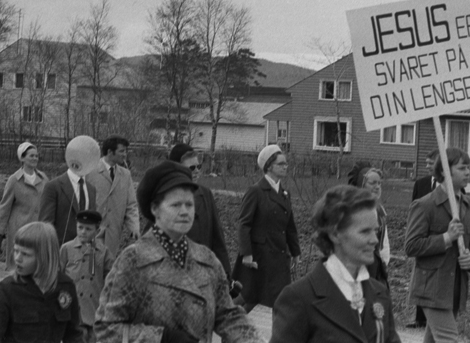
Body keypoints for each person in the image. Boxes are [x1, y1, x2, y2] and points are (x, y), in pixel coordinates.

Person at [96, 161, 263, 343]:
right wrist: (162, 338)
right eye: (176, 205)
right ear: (155, 209)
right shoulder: (133, 261)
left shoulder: (207, 260)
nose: (185, 212)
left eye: (189, 205)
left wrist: (253, 340)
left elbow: (227, 316)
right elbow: (106, 330)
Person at [270, 184, 400, 343]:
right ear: (335, 234)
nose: (374, 240)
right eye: (365, 231)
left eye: (376, 231)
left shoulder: (379, 293)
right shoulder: (300, 298)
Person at [404, 147, 470, 343]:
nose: (468, 172)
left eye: (469, 168)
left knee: (433, 339)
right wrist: (446, 238)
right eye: (462, 168)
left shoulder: (468, 205)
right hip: (431, 286)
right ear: (444, 171)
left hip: (455, 287)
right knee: (448, 338)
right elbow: (411, 246)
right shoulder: (425, 205)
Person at [0, 221, 83, 343]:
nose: (17, 258)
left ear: (44, 256)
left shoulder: (65, 286)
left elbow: (74, 335)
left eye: (25, 254)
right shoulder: (9, 288)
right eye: (16, 251)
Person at [232, 144, 301, 312]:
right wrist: (246, 254)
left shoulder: (285, 194)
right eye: (281, 164)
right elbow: (244, 224)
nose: (286, 167)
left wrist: (295, 251)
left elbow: (289, 225)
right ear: (269, 166)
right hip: (259, 257)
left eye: (286, 163)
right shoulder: (256, 191)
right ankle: (225, 324)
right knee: (250, 297)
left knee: (276, 300)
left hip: (279, 256)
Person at [168, 143, 231, 278]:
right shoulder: (164, 198)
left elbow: (218, 238)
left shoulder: (206, 194)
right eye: (191, 168)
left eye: (199, 166)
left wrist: (225, 274)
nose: (197, 171)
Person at [0, 141, 49, 266]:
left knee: (37, 265)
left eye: (36, 156)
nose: (35, 158)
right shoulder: (14, 180)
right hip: (19, 229)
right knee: (19, 265)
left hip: (38, 229)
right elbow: (4, 207)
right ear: (22, 158)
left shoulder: (44, 178)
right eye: (31, 156)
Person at [60, 210, 112, 340]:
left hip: (94, 310)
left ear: (97, 230)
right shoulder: (67, 249)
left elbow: (111, 280)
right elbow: (57, 277)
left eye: (88, 229)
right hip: (73, 309)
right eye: (80, 227)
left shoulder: (103, 252)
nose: (83, 231)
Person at [85, 135, 140, 258]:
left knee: (108, 271)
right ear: (110, 152)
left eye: (126, 151)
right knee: (91, 269)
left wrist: (134, 228)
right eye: (121, 151)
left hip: (113, 237)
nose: (125, 154)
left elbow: (131, 205)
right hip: (91, 234)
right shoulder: (90, 171)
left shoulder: (125, 175)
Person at [38, 149, 98, 246]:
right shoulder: (53, 186)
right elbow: (45, 225)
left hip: (85, 251)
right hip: (60, 249)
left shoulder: (91, 189)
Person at [408, 149, 439, 328]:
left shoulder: (449, 185)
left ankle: (433, 320)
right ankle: (419, 318)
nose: (427, 166)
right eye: (426, 163)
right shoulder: (421, 183)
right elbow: (413, 209)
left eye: (430, 163)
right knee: (420, 277)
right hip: (421, 238)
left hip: (439, 238)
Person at [360, 167, 390, 289]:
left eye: (379, 183)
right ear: (362, 185)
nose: (377, 187)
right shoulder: (355, 211)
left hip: (376, 267)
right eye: (372, 183)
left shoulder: (380, 210)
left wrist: (384, 262)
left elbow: (384, 242)